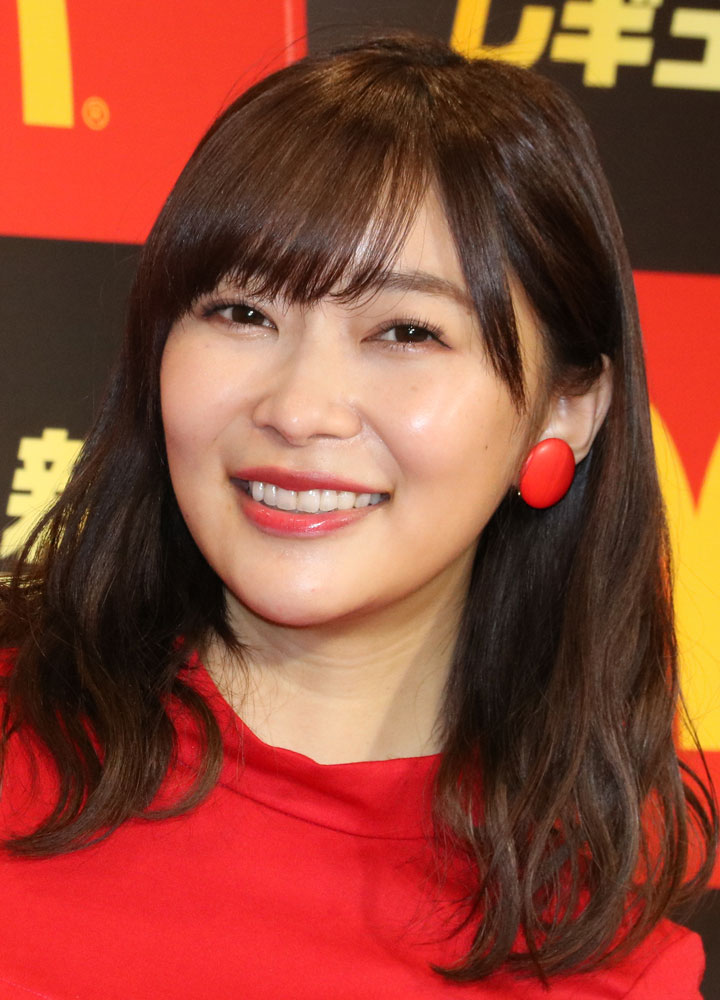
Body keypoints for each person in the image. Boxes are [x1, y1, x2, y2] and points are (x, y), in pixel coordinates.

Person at [0, 33, 716, 999]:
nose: (299, 409)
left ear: (565, 408)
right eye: (243, 313)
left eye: (406, 332)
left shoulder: (607, 969)